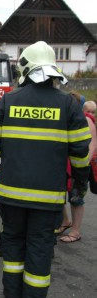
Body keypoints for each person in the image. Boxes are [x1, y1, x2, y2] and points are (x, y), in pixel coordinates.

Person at [0, 41, 91, 298]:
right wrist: (80, 184)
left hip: (12, 198)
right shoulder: (69, 105)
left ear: (25, 68)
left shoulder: (8, 100)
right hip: (48, 200)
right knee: (40, 253)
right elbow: (80, 154)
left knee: (13, 250)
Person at [58, 99, 97, 243]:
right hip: (68, 164)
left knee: (76, 197)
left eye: (93, 112)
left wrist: (83, 163)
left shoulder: (87, 120)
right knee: (60, 194)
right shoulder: (73, 118)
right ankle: (65, 222)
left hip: (78, 165)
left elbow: (93, 143)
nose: (90, 114)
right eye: (88, 111)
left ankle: (75, 231)